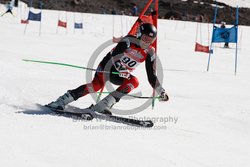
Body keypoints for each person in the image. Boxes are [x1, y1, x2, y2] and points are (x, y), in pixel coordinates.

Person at [47, 23, 169, 114]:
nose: (147, 43)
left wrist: (160, 90)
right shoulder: (128, 41)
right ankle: (60, 102)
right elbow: (115, 57)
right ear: (139, 34)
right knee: (95, 86)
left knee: (134, 82)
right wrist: (121, 69)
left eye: (150, 40)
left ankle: (104, 105)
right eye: (145, 39)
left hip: (121, 75)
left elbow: (151, 76)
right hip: (107, 68)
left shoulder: (150, 52)